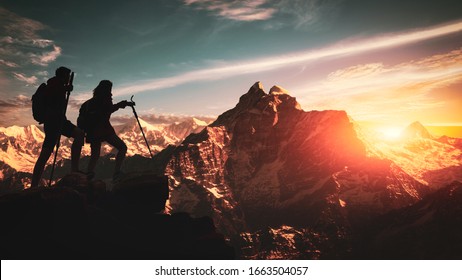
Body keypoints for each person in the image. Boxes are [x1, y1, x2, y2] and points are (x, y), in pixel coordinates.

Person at [31, 66, 85, 188]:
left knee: (79, 134)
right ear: (64, 76)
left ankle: (34, 184)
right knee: (46, 152)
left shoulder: (55, 84)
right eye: (67, 76)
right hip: (54, 122)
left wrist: (65, 89)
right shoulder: (54, 84)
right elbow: (53, 96)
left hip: (57, 121)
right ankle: (34, 185)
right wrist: (65, 89)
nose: (68, 79)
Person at [83, 80, 133, 180]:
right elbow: (108, 109)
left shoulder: (92, 101)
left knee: (95, 154)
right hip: (104, 129)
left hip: (92, 131)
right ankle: (117, 172)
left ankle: (89, 174)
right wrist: (121, 104)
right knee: (122, 147)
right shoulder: (105, 98)